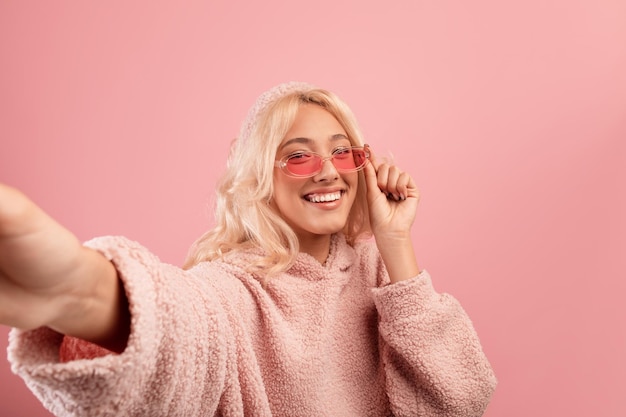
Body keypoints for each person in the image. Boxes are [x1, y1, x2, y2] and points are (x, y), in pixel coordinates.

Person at [1, 82, 496, 416]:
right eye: (298, 157)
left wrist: (395, 243)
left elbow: (460, 398)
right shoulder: (235, 287)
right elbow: (187, 327)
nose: (327, 170)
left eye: (341, 151)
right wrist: (81, 295)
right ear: (261, 175)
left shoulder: (378, 271)